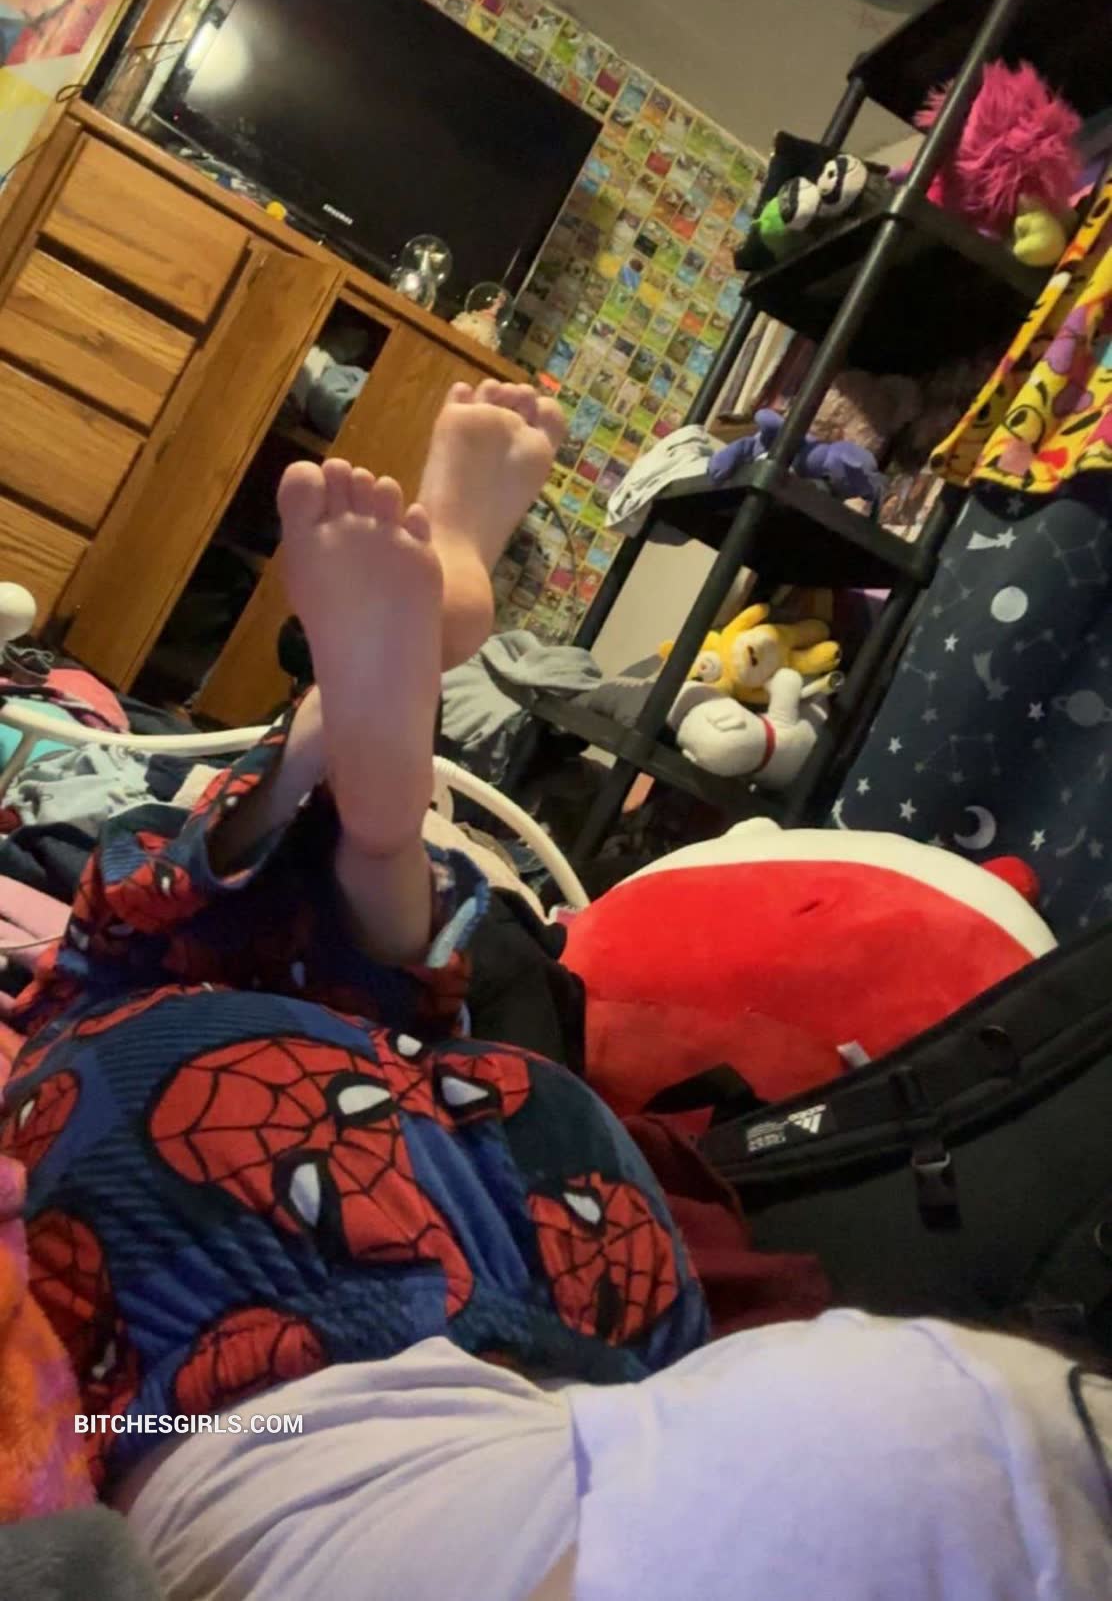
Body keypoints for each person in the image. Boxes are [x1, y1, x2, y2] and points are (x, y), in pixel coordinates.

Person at [5, 388, 1112, 1600]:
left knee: (149, 980)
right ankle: (365, 764)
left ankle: (356, 752)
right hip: (501, 1204)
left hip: (232, 1266)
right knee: (273, 977)